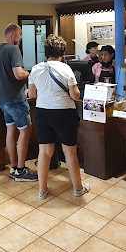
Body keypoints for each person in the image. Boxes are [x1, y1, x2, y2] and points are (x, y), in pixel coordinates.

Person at [28, 35, 89, 199]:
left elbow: (32, 94)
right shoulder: (66, 69)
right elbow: (75, 95)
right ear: (62, 53)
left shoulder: (35, 69)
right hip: (64, 112)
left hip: (42, 112)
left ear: (46, 52)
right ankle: (78, 189)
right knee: (69, 151)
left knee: (44, 152)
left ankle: (42, 191)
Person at [0, 24, 37, 181]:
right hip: (16, 99)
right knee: (25, 131)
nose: (20, 38)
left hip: (3, 99)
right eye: (20, 35)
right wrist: (29, 73)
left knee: (10, 130)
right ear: (13, 35)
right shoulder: (13, 49)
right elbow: (18, 74)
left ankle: (14, 167)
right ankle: (21, 170)